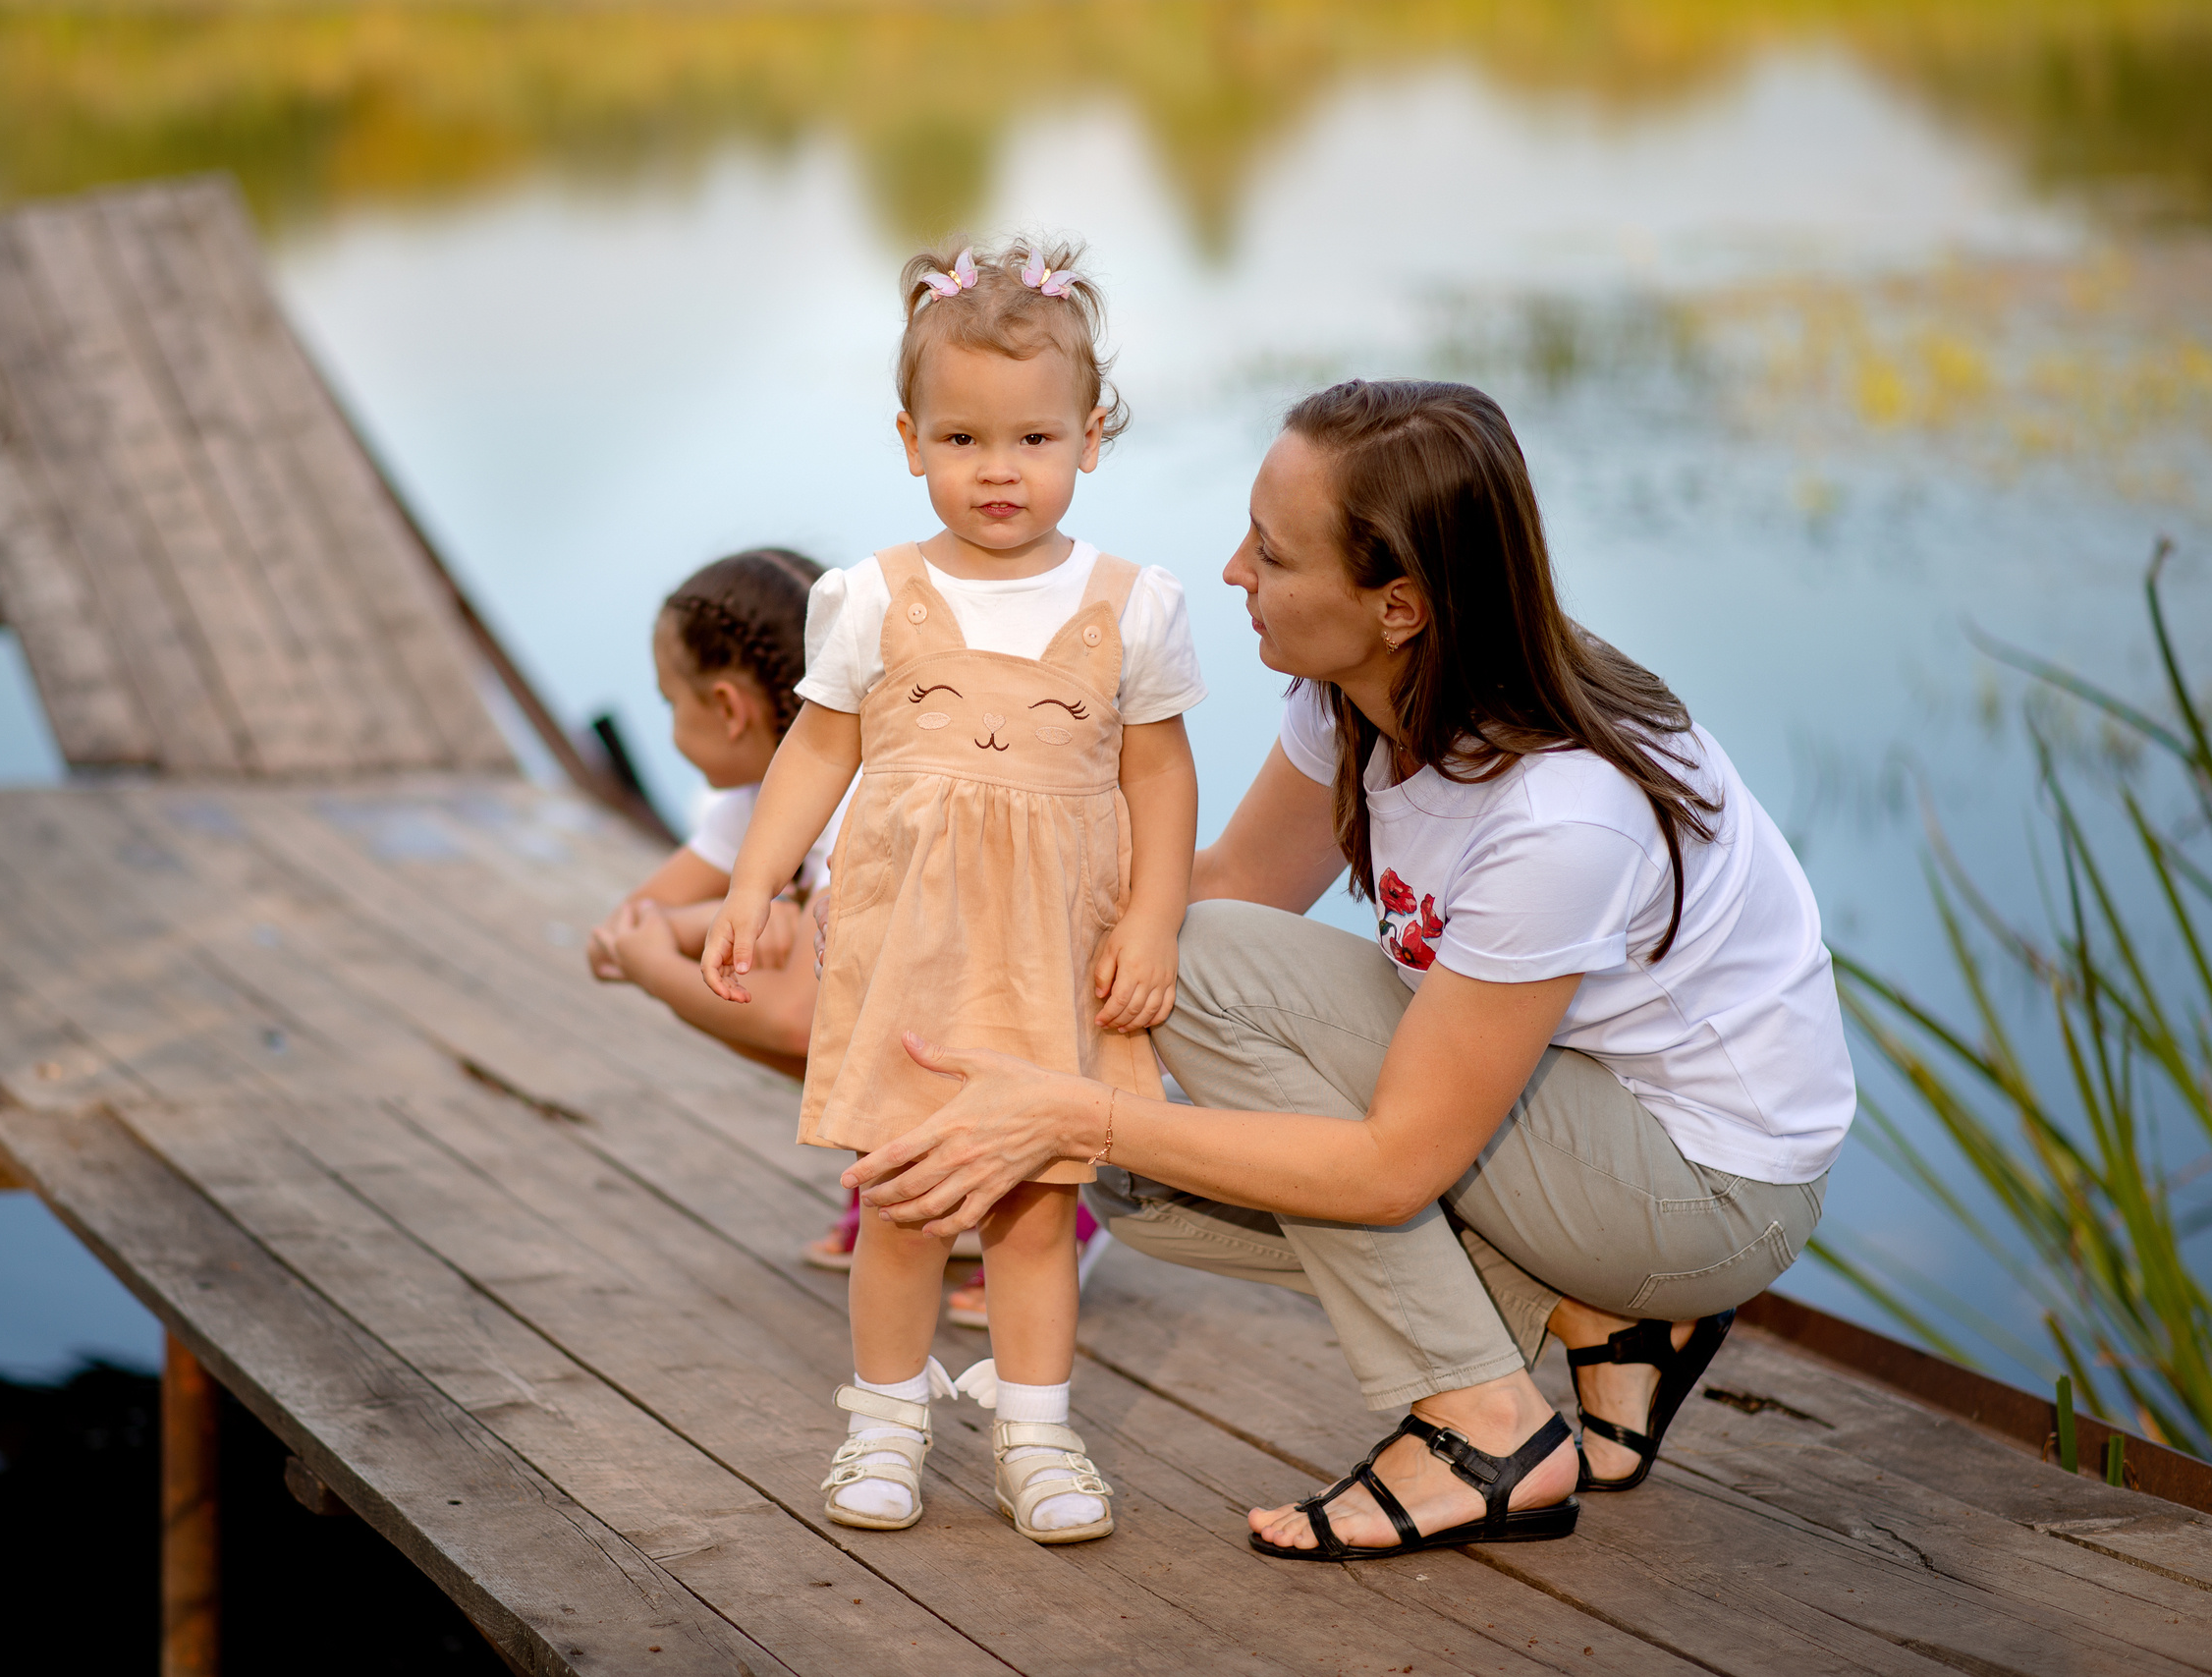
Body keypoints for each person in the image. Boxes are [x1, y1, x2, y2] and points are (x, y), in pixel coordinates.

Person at [835, 379, 1853, 1561]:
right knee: (1131, 1172)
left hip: (1704, 1198)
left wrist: (1072, 1110)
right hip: (1576, 1131)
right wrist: (922, 938)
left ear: (1400, 606)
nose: (1229, 573)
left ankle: (1484, 1425)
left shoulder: (1563, 812)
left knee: (1144, 1056)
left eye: (1269, 555)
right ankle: (1600, 1316)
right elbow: (1226, 889)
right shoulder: (1367, 692)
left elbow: (1384, 1167)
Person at [700, 239, 1206, 1543]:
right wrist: (758, 880)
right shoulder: (869, 595)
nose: (999, 468)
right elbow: (819, 746)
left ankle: (1036, 1434)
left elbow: (1159, 776)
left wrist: (1151, 919)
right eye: (964, 436)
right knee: (907, 1197)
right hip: (912, 946)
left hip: (1054, 951)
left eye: (1034, 436)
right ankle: (884, 1421)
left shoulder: (1133, 604)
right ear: (910, 436)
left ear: (1092, 437)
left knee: (1039, 1208)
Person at [587, 548, 841, 1087]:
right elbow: (610, 942)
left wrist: (657, 968)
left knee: (744, 993)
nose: (670, 722)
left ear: (728, 709)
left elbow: (799, 1020)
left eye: (669, 702)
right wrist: (723, 922)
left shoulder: (862, 803)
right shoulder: (752, 803)